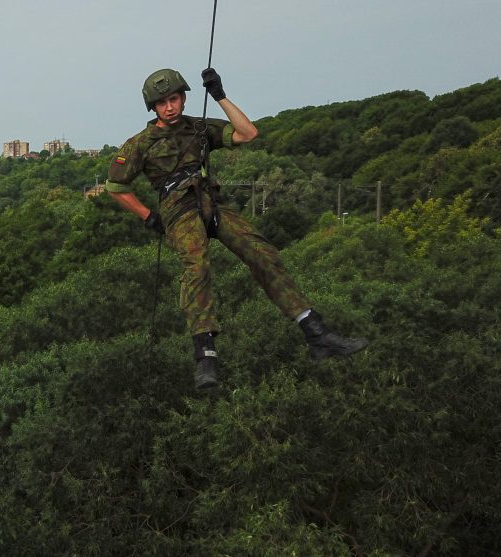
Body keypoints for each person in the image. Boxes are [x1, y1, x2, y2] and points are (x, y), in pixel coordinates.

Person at [105, 67, 367, 390]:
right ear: (153, 107)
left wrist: (219, 96)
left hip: (210, 202)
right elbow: (115, 186)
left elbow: (247, 134)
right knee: (196, 265)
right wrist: (148, 216)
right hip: (178, 209)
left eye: (174, 99)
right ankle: (205, 355)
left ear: (184, 98)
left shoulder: (200, 129)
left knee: (261, 251)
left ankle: (315, 331)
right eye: (162, 103)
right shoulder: (141, 144)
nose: (169, 107)